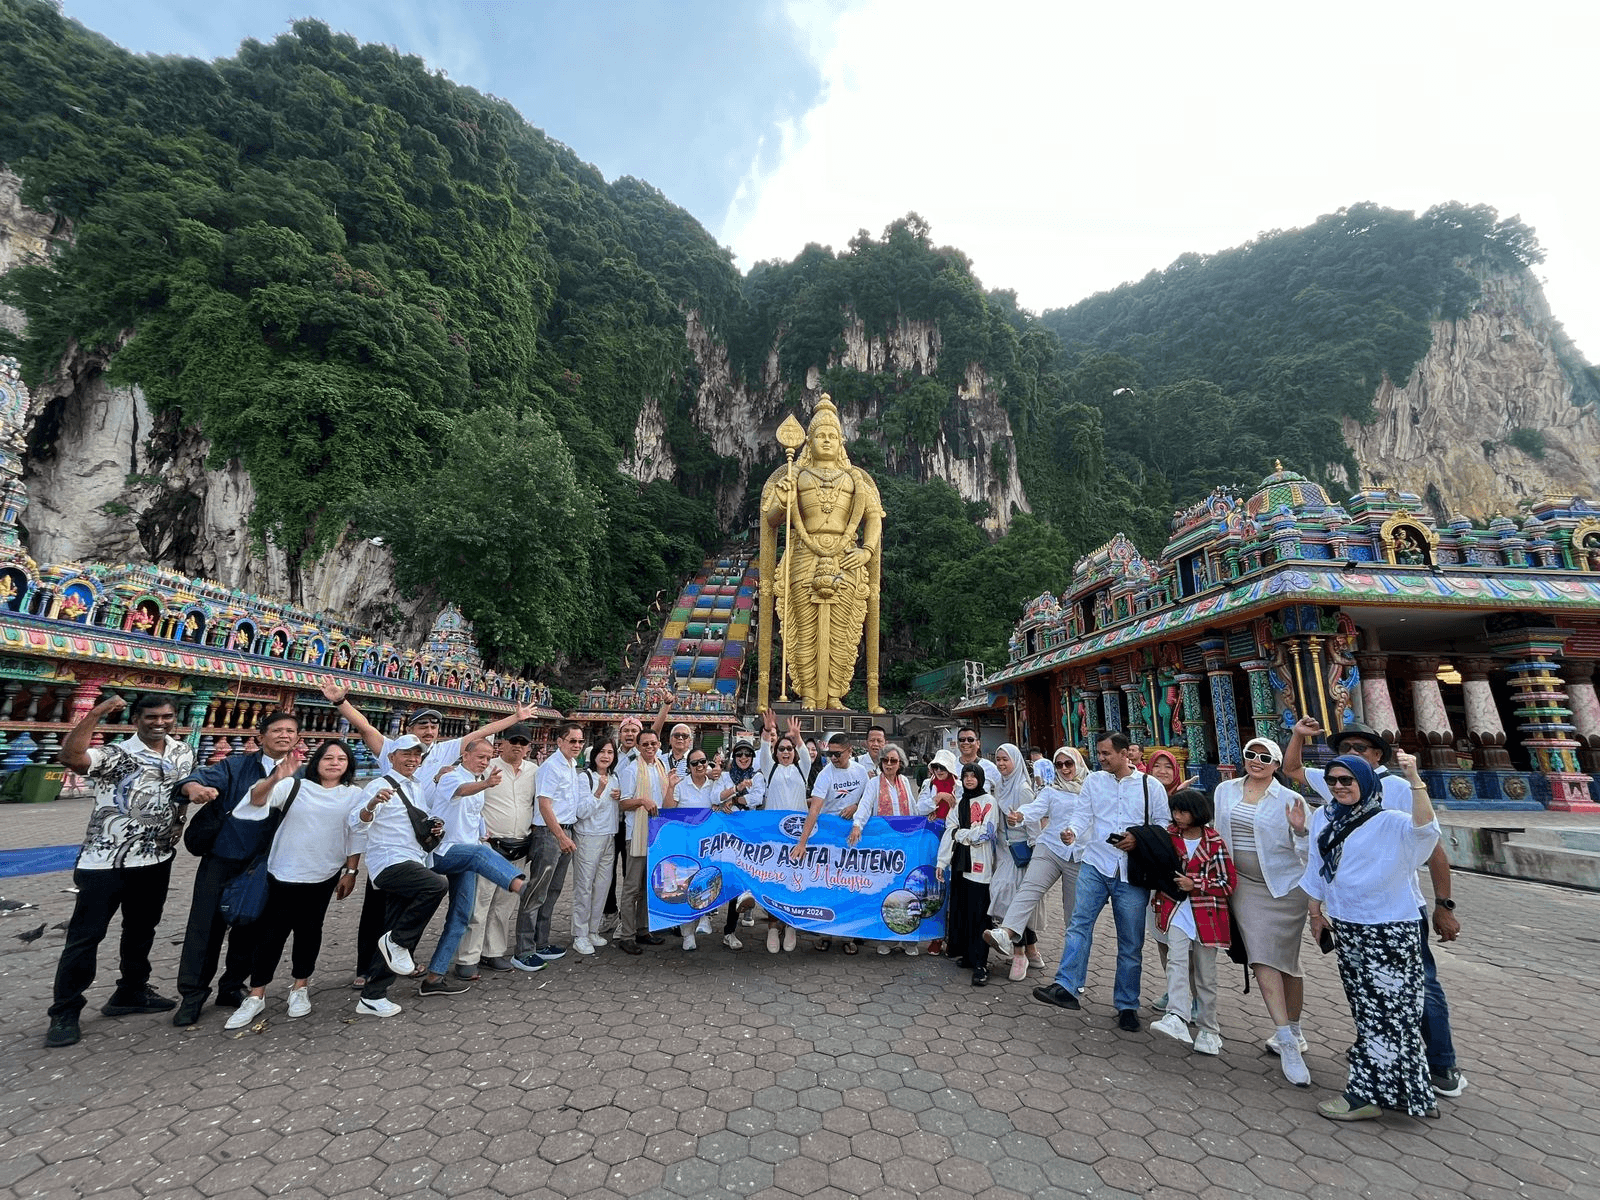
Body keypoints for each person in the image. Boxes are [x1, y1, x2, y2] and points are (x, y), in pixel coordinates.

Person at [1284, 717, 1467, 1100]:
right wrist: (1316, 912)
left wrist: (1443, 904)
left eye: (1360, 750)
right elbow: (1294, 774)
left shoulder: (1395, 791)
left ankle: (1439, 1062)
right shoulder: (1331, 806)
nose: (1340, 780)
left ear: (1377, 757)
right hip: (1350, 917)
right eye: (1344, 753)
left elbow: (1429, 842)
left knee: (1415, 992)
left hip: (1394, 914)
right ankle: (1379, 1056)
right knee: (1367, 995)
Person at [322, 678, 534, 987]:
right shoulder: (393, 755)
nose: (429, 730)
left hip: (424, 845)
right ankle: (367, 970)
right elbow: (366, 728)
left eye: (435, 725)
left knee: (442, 911)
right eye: (423, 725)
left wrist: (515, 718)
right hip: (397, 848)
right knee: (378, 912)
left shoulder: (442, 756)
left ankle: (426, 974)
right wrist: (341, 702)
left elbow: (480, 735)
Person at [46, 693, 195, 1048]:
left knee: (141, 930)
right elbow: (71, 758)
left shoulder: (182, 752)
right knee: (85, 937)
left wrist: (186, 809)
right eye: (151, 717)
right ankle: (65, 1010)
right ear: (136, 719)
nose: (160, 723)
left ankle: (131, 991)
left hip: (156, 858)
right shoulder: (116, 754)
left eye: (167, 716)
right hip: (105, 861)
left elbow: (179, 791)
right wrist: (97, 711)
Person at [1303, 752, 1441, 1120]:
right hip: (1348, 925)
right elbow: (1317, 869)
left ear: (1365, 782)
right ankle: (1409, 1093)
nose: (1338, 787)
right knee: (1369, 1012)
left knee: (1390, 1015)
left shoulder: (1391, 821)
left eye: (1346, 780)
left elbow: (1427, 832)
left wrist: (1415, 778)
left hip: (1390, 929)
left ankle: (1364, 1096)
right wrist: (1315, 913)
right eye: (1332, 780)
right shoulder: (1325, 818)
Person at [172, 710, 302, 1027]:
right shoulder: (236, 766)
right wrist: (194, 790)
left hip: (261, 865)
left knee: (250, 926)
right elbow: (196, 780)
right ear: (260, 737)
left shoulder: (301, 776)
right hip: (222, 859)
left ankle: (232, 986)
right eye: (277, 730)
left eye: (290, 731)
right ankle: (192, 996)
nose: (284, 735)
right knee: (205, 928)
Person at [1032, 732, 1169, 1033]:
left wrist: (1138, 839)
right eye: (1100, 753)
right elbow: (1083, 815)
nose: (1101, 758)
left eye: (1107, 753)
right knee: (1079, 925)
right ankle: (1067, 986)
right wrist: (1071, 832)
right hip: (1095, 864)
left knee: (1131, 942)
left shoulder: (1151, 786)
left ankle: (1127, 1004)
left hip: (1132, 873)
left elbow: (1163, 825)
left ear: (1125, 755)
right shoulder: (1094, 782)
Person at [227, 739, 365, 1029]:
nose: (334, 763)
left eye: (341, 759)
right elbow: (255, 800)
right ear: (316, 762)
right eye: (328, 757)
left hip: (324, 873)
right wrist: (276, 777)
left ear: (348, 765)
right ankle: (257, 994)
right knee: (271, 934)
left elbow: (356, 833)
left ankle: (300, 987)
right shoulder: (295, 787)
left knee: (309, 931)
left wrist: (351, 871)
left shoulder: (354, 794)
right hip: (283, 872)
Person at [1213, 736, 1314, 1086]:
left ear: (1276, 764)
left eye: (1265, 757)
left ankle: (1296, 1028)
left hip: (1286, 888)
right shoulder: (1224, 791)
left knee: (1288, 963)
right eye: (1250, 755)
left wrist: (1301, 831)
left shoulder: (1291, 799)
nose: (1256, 760)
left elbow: (1308, 852)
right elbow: (1216, 834)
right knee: (1261, 959)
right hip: (1243, 886)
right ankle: (1285, 1037)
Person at [417, 738, 529, 994]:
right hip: (444, 853)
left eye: (489, 758)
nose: (485, 762)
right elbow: (461, 791)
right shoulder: (451, 776)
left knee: (461, 916)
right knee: (480, 854)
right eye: (480, 757)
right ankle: (521, 885)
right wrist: (487, 784)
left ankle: (434, 977)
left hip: (466, 856)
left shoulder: (477, 781)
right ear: (465, 755)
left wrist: (483, 829)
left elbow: (471, 813)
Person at [348, 735, 444, 1017]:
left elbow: (416, 825)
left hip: (413, 858)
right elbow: (356, 822)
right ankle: (398, 942)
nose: (413, 759)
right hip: (389, 862)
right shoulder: (379, 785)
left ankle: (373, 995)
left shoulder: (416, 787)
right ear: (392, 757)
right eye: (407, 754)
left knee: (391, 926)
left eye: (417, 755)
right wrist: (372, 805)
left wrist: (435, 828)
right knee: (437, 885)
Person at [1149, 788, 1236, 1056]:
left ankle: (1209, 1029)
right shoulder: (1168, 836)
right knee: (1176, 961)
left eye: (1183, 811)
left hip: (1207, 914)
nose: (1178, 816)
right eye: (1175, 810)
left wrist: (1195, 883)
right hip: (1175, 909)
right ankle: (1176, 1015)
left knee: (1205, 974)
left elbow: (1228, 883)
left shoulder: (1214, 842)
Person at [986, 747, 1088, 972]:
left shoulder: (1091, 789)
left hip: (1078, 854)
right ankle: (1005, 934)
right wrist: (1021, 816)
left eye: (1068, 764)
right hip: (1049, 847)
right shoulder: (1051, 791)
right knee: (1028, 890)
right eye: (1058, 765)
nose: (1064, 769)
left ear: (1078, 764)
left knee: (1073, 914)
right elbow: (1035, 809)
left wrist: (1075, 833)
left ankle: (1071, 971)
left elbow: (1093, 818)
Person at [456, 724, 538, 976]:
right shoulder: (486, 769)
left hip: (520, 845)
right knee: (479, 904)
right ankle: (467, 957)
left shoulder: (534, 771)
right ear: (501, 743)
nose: (518, 746)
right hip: (490, 847)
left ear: (529, 747)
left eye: (523, 742)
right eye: (513, 740)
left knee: (504, 906)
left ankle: (493, 952)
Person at [513, 722, 587, 970]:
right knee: (537, 891)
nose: (576, 745)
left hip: (566, 829)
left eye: (580, 741)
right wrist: (560, 836)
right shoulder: (551, 767)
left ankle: (541, 942)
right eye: (572, 741)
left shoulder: (571, 765)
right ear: (560, 741)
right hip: (550, 833)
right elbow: (544, 804)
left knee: (553, 891)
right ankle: (523, 950)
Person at [790, 732, 870, 953]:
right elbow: (815, 808)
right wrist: (802, 842)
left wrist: (856, 806)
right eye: (829, 754)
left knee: (850, 884)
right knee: (828, 884)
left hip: (853, 836)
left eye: (838, 754)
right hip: (828, 836)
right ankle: (826, 932)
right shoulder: (826, 774)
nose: (833, 758)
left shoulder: (861, 771)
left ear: (850, 751)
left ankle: (847, 935)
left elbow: (868, 796)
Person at [936, 764, 998, 986]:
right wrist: (941, 863)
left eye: (974, 776)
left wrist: (961, 834)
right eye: (966, 776)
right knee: (963, 912)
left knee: (980, 915)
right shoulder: (960, 802)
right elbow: (948, 830)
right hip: (960, 865)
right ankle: (969, 956)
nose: (970, 779)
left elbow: (986, 833)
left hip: (980, 867)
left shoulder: (989, 802)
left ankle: (981, 963)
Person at [988, 742, 1044, 981]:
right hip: (1003, 851)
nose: (1001, 764)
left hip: (1020, 854)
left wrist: (1036, 855)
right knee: (1012, 900)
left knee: (1011, 900)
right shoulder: (999, 786)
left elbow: (1033, 825)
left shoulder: (1022, 788)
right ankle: (1032, 952)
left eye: (1005, 759)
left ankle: (1019, 953)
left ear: (1016, 761)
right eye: (998, 759)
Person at [756, 711, 812, 952]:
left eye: (790, 749)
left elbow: (806, 754)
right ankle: (771, 926)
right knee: (773, 882)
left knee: (795, 882)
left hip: (798, 837)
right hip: (774, 836)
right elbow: (763, 753)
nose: (786, 752)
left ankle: (790, 926)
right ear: (776, 753)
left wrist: (797, 736)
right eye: (782, 749)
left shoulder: (803, 769)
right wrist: (769, 731)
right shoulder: (770, 769)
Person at [616, 730, 670, 954]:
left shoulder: (661, 768)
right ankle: (626, 935)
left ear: (658, 745)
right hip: (636, 834)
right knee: (631, 887)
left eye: (653, 744)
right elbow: (622, 803)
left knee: (649, 885)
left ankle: (643, 929)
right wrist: (641, 801)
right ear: (638, 746)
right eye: (645, 744)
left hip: (657, 834)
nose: (650, 747)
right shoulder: (630, 770)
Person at [662, 747, 722, 950]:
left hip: (708, 844)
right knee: (686, 886)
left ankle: (705, 917)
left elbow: (723, 803)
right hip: (685, 844)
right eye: (695, 763)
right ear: (688, 767)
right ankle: (687, 934)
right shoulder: (681, 785)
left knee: (706, 883)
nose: (700, 766)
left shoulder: (714, 784)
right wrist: (670, 788)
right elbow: (668, 811)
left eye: (703, 761)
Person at [570, 740, 622, 956]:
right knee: (584, 886)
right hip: (588, 837)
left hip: (609, 836)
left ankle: (593, 929)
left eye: (610, 752)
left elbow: (615, 811)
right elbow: (581, 811)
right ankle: (579, 934)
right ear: (594, 754)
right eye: (602, 752)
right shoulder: (585, 777)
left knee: (602, 886)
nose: (606, 756)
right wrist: (599, 791)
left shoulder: (615, 777)